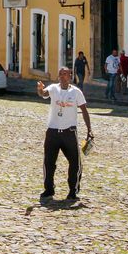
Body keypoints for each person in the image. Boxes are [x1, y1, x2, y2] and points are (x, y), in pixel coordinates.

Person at [37, 67, 93, 201]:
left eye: (65, 74)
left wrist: (89, 129)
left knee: (75, 163)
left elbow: (84, 110)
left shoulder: (76, 92)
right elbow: (44, 94)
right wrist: (40, 90)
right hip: (53, 132)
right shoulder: (53, 88)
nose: (62, 76)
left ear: (70, 76)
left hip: (69, 132)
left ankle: (73, 191)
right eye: (60, 74)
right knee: (49, 162)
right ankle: (49, 189)